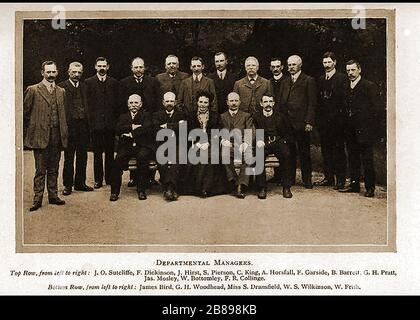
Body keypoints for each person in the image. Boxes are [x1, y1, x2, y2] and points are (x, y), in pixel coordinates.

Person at [23, 61, 68, 211]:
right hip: (40, 135)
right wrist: (33, 130)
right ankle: (37, 198)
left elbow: (63, 114)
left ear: (57, 73)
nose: (51, 75)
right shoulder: (33, 90)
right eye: (48, 72)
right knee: (40, 169)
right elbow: (25, 113)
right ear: (42, 72)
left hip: (57, 134)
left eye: (53, 72)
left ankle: (53, 196)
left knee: (54, 168)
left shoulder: (61, 91)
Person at [339, 60, 382, 197]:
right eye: (348, 71)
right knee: (352, 158)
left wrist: (372, 129)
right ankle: (354, 184)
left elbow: (377, 110)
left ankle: (370, 187)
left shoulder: (369, 86)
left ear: (359, 70)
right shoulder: (345, 86)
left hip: (365, 130)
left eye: (353, 70)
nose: (350, 73)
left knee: (367, 159)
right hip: (350, 130)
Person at [178, 90, 228, 197]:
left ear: (209, 104)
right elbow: (186, 132)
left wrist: (209, 142)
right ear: (197, 102)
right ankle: (198, 187)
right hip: (195, 144)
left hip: (211, 144)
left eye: (205, 102)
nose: (203, 105)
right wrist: (197, 143)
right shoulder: (190, 116)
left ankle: (206, 188)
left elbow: (219, 131)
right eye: (201, 102)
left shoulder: (215, 116)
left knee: (209, 157)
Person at [277, 55, 317, 188]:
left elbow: (312, 103)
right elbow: (280, 102)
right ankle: (290, 179)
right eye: (289, 65)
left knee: (304, 152)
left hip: (301, 123)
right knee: (290, 152)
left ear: (300, 65)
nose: (291, 67)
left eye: (293, 65)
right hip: (287, 123)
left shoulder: (308, 80)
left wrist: (309, 122)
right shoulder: (285, 81)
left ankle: (307, 180)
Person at [119, 57, 159, 187]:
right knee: (133, 146)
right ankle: (134, 178)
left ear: (144, 68)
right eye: (135, 67)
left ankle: (150, 177)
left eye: (140, 67)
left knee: (147, 147)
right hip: (132, 118)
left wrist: (151, 121)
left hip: (149, 120)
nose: (138, 70)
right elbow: (122, 105)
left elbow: (157, 102)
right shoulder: (125, 82)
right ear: (132, 69)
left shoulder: (152, 82)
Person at [110, 94, 155, 201]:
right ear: (127, 104)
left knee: (143, 158)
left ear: (141, 104)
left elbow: (147, 128)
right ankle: (114, 192)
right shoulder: (123, 116)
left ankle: (141, 190)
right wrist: (133, 126)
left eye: (136, 103)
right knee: (117, 161)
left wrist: (131, 134)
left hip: (142, 145)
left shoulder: (146, 115)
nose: (133, 105)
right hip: (127, 145)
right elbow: (118, 129)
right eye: (131, 103)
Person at [58, 62, 93, 196]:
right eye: (74, 72)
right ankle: (67, 185)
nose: (76, 75)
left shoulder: (85, 86)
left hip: (83, 126)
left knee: (82, 156)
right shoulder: (62, 86)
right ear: (68, 72)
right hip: (70, 126)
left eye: (79, 72)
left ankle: (80, 183)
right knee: (68, 156)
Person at [85, 57, 120, 189]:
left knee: (110, 152)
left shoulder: (113, 83)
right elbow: (88, 105)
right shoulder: (88, 83)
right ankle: (98, 179)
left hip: (110, 124)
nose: (102, 68)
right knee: (97, 153)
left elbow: (117, 104)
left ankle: (109, 178)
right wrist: (91, 122)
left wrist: (115, 122)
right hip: (96, 125)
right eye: (99, 65)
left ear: (108, 67)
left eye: (104, 66)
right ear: (95, 67)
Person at [314, 52, 347, 189]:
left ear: (334, 63)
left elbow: (343, 102)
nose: (326, 65)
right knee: (326, 151)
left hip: (337, 123)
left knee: (338, 152)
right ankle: (328, 178)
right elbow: (319, 102)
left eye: (329, 62)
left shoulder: (342, 79)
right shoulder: (321, 79)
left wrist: (339, 120)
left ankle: (340, 180)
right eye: (324, 62)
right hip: (324, 123)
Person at [253, 95, 293, 199]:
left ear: (273, 103)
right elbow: (254, 132)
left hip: (278, 142)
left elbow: (288, 132)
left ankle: (286, 187)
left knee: (287, 155)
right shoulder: (256, 117)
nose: (268, 104)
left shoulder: (280, 116)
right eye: (265, 102)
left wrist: (284, 141)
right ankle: (262, 187)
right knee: (258, 156)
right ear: (261, 103)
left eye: (270, 101)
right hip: (264, 142)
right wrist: (259, 140)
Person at [153, 92, 187, 201]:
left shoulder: (181, 114)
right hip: (162, 144)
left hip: (177, 144)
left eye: (171, 101)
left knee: (176, 159)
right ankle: (169, 187)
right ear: (163, 103)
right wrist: (175, 127)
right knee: (162, 158)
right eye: (167, 101)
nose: (169, 103)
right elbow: (156, 130)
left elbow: (183, 129)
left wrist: (167, 126)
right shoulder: (157, 115)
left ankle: (170, 188)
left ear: (175, 102)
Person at [220, 92, 254, 199]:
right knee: (224, 155)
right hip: (229, 145)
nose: (234, 103)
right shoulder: (222, 116)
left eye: (236, 101)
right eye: (231, 101)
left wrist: (246, 143)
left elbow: (251, 131)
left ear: (239, 102)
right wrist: (223, 140)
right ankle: (234, 181)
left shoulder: (246, 116)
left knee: (249, 156)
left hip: (242, 144)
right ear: (227, 102)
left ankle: (241, 185)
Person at [269, 57, 288, 184]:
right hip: (272, 116)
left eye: (278, 66)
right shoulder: (268, 82)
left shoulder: (287, 81)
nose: (275, 69)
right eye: (273, 67)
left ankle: (286, 176)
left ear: (282, 67)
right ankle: (277, 175)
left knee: (283, 144)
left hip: (284, 116)